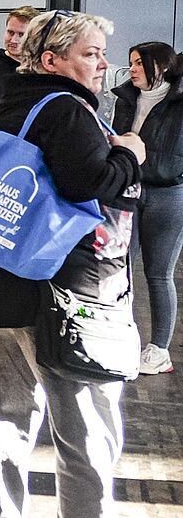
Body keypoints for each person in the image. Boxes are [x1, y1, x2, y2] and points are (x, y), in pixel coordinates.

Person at [0, 10, 142, 517]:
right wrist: (130, 156)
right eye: (91, 53)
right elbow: (88, 182)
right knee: (85, 430)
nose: (103, 64)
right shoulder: (69, 111)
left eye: (102, 52)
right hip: (58, 295)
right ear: (52, 60)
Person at [112, 41, 182, 376]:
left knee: (158, 273)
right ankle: (121, 337)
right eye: (131, 63)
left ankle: (159, 350)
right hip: (129, 190)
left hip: (169, 195)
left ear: (161, 66)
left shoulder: (179, 102)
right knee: (120, 269)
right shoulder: (126, 98)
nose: (133, 69)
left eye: (139, 63)